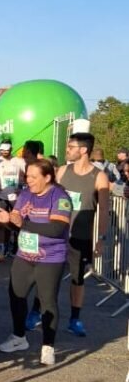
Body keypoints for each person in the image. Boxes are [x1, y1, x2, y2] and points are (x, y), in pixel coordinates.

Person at [0, 158, 72, 366]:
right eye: (27, 176)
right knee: (16, 295)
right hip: (25, 256)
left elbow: (57, 229)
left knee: (47, 301)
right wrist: (7, 221)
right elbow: (17, 223)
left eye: (34, 177)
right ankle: (19, 337)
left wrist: (23, 224)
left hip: (50, 258)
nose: (28, 180)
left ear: (48, 177)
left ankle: (48, 346)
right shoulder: (26, 194)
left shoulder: (60, 197)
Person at [54, 133, 109, 337]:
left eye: (71, 147)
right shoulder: (62, 171)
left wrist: (100, 239)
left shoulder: (99, 176)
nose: (67, 150)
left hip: (81, 236)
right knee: (47, 276)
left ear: (83, 150)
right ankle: (35, 312)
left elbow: (103, 210)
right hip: (57, 234)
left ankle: (75, 319)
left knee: (77, 279)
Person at [0, 140, 26, 261]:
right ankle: (1, 250)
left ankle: (17, 248)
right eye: (2, 150)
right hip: (1, 196)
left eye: (7, 150)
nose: (4, 152)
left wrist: (21, 187)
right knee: (1, 223)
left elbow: (27, 176)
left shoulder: (19, 161)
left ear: (11, 149)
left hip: (16, 197)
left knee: (16, 221)